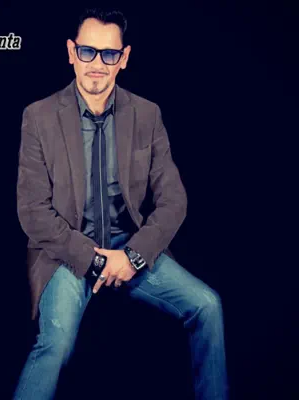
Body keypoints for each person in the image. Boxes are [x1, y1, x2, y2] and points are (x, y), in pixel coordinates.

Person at [13, 7, 229, 400]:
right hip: (66, 253)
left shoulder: (147, 114)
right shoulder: (39, 117)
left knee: (208, 306)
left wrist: (132, 257)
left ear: (124, 58)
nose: (97, 64)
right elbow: (32, 211)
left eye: (109, 54)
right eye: (87, 51)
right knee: (55, 344)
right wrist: (95, 260)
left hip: (129, 247)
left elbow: (174, 200)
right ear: (71, 52)